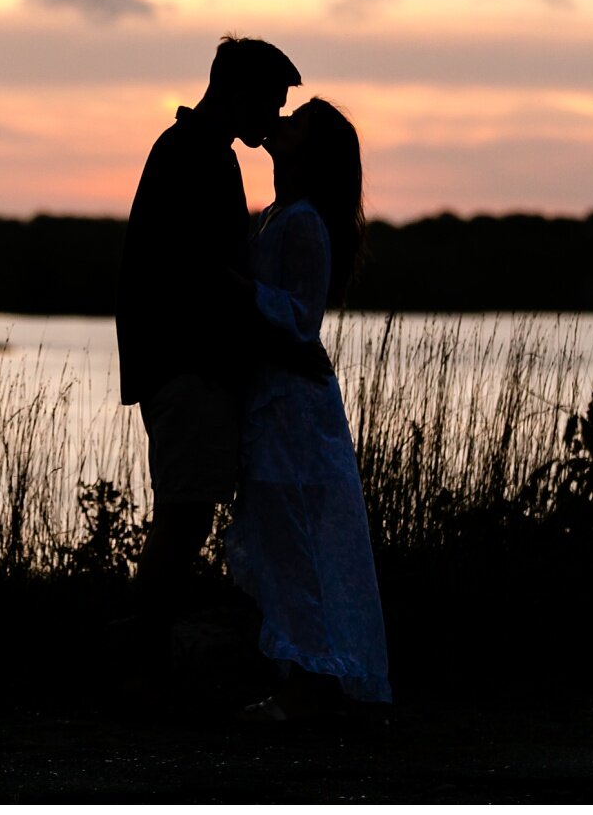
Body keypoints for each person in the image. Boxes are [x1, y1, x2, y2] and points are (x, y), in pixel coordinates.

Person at [115, 36, 303, 690]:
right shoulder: (196, 157)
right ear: (240, 94)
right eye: (272, 101)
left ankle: (146, 667)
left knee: (185, 514)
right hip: (186, 368)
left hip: (180, 366)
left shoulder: (194, 152)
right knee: (184, 517)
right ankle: (143, 672)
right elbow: (204, 274)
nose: (275, 116)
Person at [227, 97, 392, 719]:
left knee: (294, 539)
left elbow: (300, 319)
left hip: (294, 411)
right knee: (281, 539)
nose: (283, 122)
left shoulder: (303, 223)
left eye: (298, 122)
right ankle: (303, 677)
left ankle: (308, 686)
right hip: (275, 402)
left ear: (310, 151)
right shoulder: (278, 216)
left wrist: (234, 288)